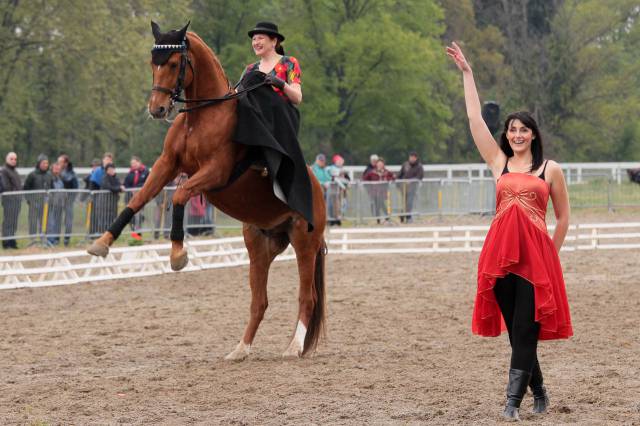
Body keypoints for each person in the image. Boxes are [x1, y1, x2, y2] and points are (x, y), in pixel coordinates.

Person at [447, 42, 572, 421]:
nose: (517, 134)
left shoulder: (550, 169)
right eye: (512, 129)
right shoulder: (498, 163)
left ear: (533, 135)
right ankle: (541, 391)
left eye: (524, 130)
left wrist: (551, 255)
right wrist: (468, 75)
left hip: (536, 262)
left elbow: (564, 218)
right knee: (517, 333)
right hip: (499, 257)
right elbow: (474, 121)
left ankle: (511, 404)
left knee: (525, 327)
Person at [234, 22, 315, 231]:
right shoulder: (250, 69)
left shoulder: (289, 63)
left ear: (274, 41)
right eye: (254, 39)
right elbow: (236, 96)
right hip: (257, 123)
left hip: (281, 123)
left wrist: (279, 84)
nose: (256, 42)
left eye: (260, 38)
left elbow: (297, 98)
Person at [23, 154, 53, 240]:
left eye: (47, 163)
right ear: (39, 163)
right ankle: (32, 240)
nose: (45, 165)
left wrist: (50, 199)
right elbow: (26, 188)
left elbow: (52, 188)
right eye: (43, 163)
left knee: (44, 222)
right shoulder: (32, 175)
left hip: (45, 204)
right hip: (34, 203)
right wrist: (29, 201)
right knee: (33, 222)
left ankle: (43, 239)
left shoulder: (49, 175)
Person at [362, 158, 395, 224]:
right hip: (374, 191)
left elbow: (393, 177)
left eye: (381, 164)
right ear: (376, 164)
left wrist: (388, 179)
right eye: (378, 164)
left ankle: (382, 218)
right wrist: (369, 187)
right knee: (378, 205)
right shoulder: (372, 172)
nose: (380, 165)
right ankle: (381, 218)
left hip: (383, 191)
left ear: (383, 165)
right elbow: (364, 179)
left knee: (380, 204)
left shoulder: (386, 172)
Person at [124, 156, 149, 236]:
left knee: (138, 215)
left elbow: (147, 182)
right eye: (132, 164)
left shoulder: (145, 171)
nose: (133, 165)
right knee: (129, 216)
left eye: (135, 163)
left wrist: (137, 189)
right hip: (130, 197)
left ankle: (138, 234)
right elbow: (126, 184)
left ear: (139, 162)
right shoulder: (130, 173)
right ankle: (134, 231)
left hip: (140, 197)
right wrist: (130, 190)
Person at [1, 152, 22, 249]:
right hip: (9, 200)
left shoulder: (15, 172)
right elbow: (5, 186)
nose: (14, 161)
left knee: (14, 222)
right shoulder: (4, 171)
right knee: (8, 222)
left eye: (15, 159)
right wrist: (14, 193)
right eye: (11, 159)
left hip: (16, 200)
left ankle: (12, 240)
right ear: (7, 159)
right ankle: (6, 242)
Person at [58, 154, 79, 246]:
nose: (58, 164)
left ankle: (67, 239)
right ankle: (55, 238)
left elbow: (75, 187)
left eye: (60, 162)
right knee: (56, 219)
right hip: (57, 200)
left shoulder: (71, 173)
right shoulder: (57, 172)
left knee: (68, 220)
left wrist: (71, 198)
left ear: (65, 163)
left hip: (68, 201)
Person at [397, 151, 424, 223]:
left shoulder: (419, 166)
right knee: (404, 203)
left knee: (409, 202)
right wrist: (398, 182)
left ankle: (408, 217)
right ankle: (403, 215)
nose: (411, 159)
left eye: (413, 157)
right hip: (403, 187)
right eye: (410, 157)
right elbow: (400, 174)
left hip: (413, 188)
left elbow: (419, 176)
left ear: (416, 158)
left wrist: (411, 181)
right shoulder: (405, 164)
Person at [98, 163, 123, 233]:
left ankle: (110, 236)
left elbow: (119, 185)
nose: (112, 171)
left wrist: (120, 187)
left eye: (113, 169)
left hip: (113, 204)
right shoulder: (104, 178)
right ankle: (102, 235)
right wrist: (120, 188)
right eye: (110, 169)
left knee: (112, 221)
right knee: (104, 221)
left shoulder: (116, 178)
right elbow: (109, 187)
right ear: (106, 171)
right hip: (104, 205)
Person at [326, 154, 350, 226]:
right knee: (333, 205)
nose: (341, 163)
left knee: (340, 205)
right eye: (339, 161)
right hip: (333, 191)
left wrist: (347, 183)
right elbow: (333, 178)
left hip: (340, 192)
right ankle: (332, 220)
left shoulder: (343, 169)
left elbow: (347, 179)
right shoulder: (331, 169)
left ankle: (338, 220)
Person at [45, 163, 66, 245]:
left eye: (58, 168)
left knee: (58, 223)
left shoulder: (60, 178)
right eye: (55, 168)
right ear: (52, 169)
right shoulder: (49, 178)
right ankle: (50, 240)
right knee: (51, 223)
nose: (57, 170)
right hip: (51, 204)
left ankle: (56, 239)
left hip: (59, 204)